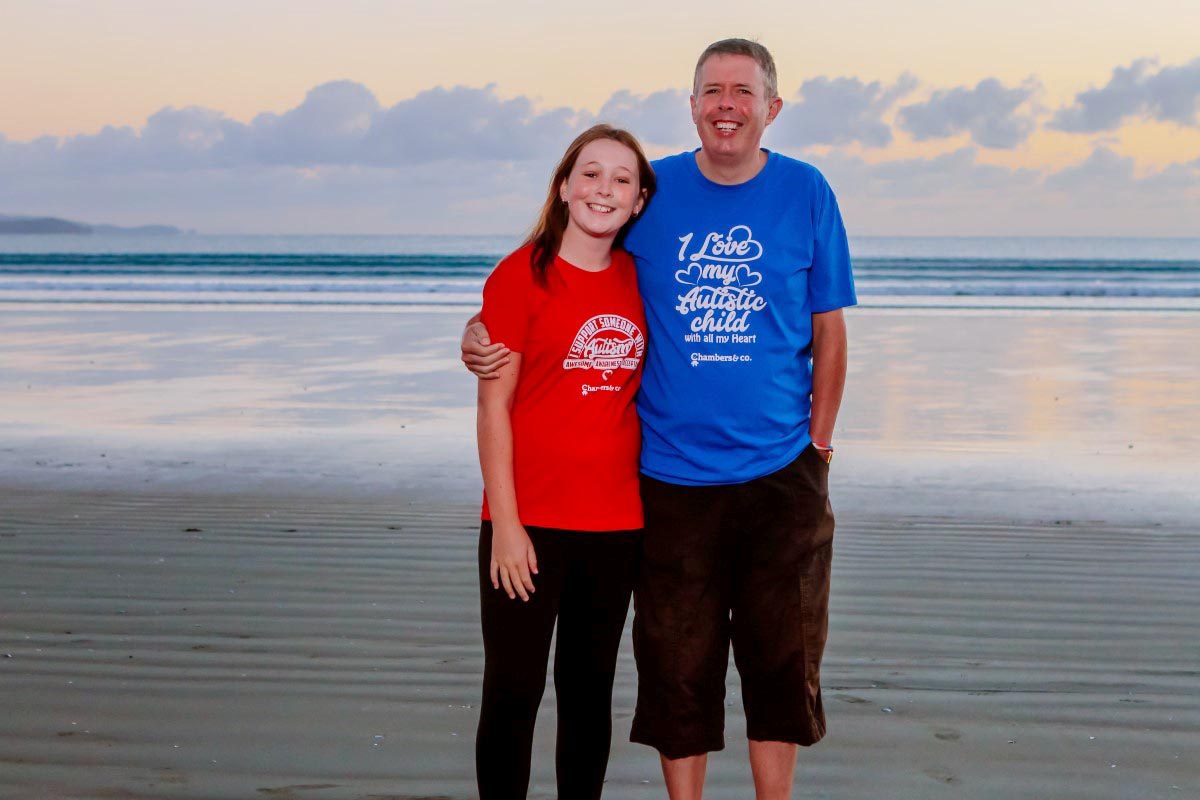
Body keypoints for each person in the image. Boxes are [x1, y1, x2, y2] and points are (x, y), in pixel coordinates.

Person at [465, 39, 854, 800]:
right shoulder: (656, 193)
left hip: (773, 474)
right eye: (712, 89)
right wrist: (476, 335)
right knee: (675, 665)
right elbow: (552, 278)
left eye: (744, 91)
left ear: (772, 108)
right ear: (693, 106)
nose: (727, 104)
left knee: (780, 660)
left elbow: (830, 329)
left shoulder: (806, 191)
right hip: (667, 482)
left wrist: (820, 442)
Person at [473, 123, 656, 800]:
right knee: (514, 692)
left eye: (621, 179)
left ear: (638, 202)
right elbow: (494, 407)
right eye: (590, 173)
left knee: (589, 695)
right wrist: (508, 525)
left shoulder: (642, 279)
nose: (602, 189)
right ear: (563, 186)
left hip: (616, 526)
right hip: (529, 523)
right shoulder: (522, 274)